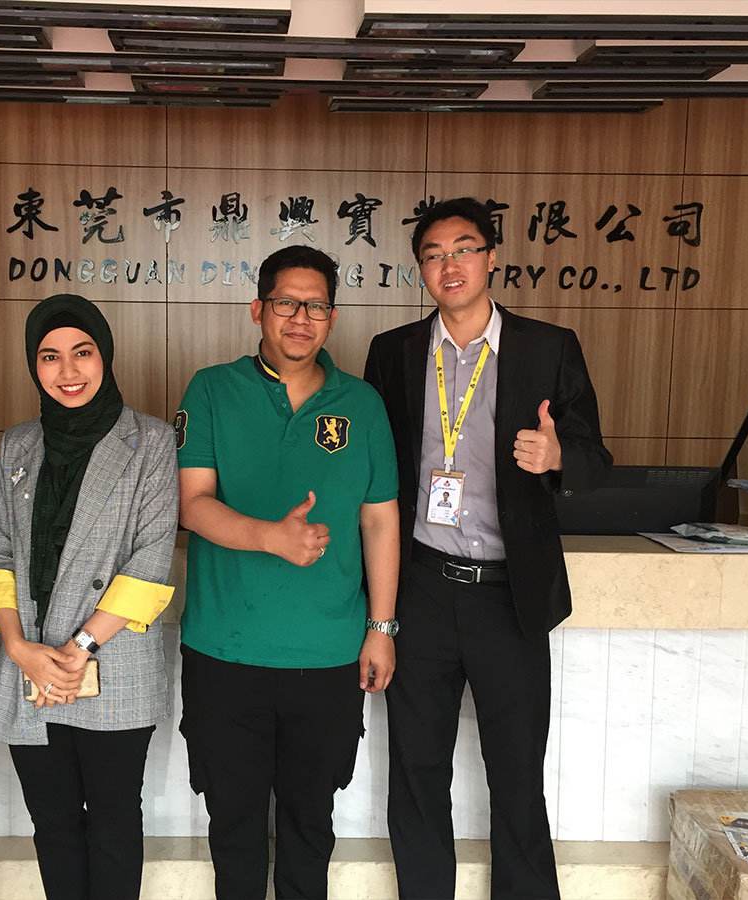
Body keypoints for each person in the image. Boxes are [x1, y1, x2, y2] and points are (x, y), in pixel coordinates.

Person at [363, 197, 613, 900]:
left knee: (517, 776)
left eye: (464, 249)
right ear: (421, 269)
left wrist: (558, 456)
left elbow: (596, 460)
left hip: (511, 596)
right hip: (421, 590)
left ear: (492, 257)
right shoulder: (394, 352)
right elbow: (375, 476)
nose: (450, 265)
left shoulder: (548, 348)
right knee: (417, 775)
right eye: (434, 254)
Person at [175, 245, 401, 900]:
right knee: (234, 826)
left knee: (310, 826)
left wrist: (381, 627)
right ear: (258, 310)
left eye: (316, 306)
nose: (301, 318)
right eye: (286, 303)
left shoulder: (362, 404)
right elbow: (192, 503)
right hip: (225, 652)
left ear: (332, 318)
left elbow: (379, 521)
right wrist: (270, 537)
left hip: (327, 655)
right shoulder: (211, 389)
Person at [0, 293, 178, 900]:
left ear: (104, 356)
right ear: (33, 365)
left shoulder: (151, 440)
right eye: (49, 356)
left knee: (113, 824)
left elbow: (151, 560)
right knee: (54, 825)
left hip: (111, 661)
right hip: (29, 662)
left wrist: (78, 648)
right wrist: (18, 647)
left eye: (82, 352)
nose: (68, 371)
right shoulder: (18, 444)